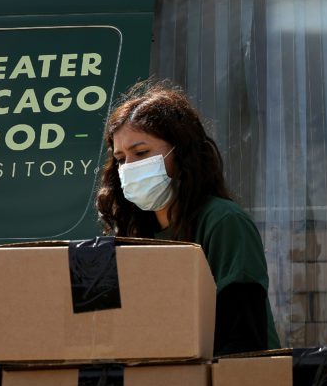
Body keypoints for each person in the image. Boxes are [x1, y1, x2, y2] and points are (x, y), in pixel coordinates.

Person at [96, 80, 280, 356]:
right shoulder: (134, 233)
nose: (129, 168)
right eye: (121, 158)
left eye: (142, 153)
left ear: (181, 153)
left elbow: (242, 337)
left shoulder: (223, 222)